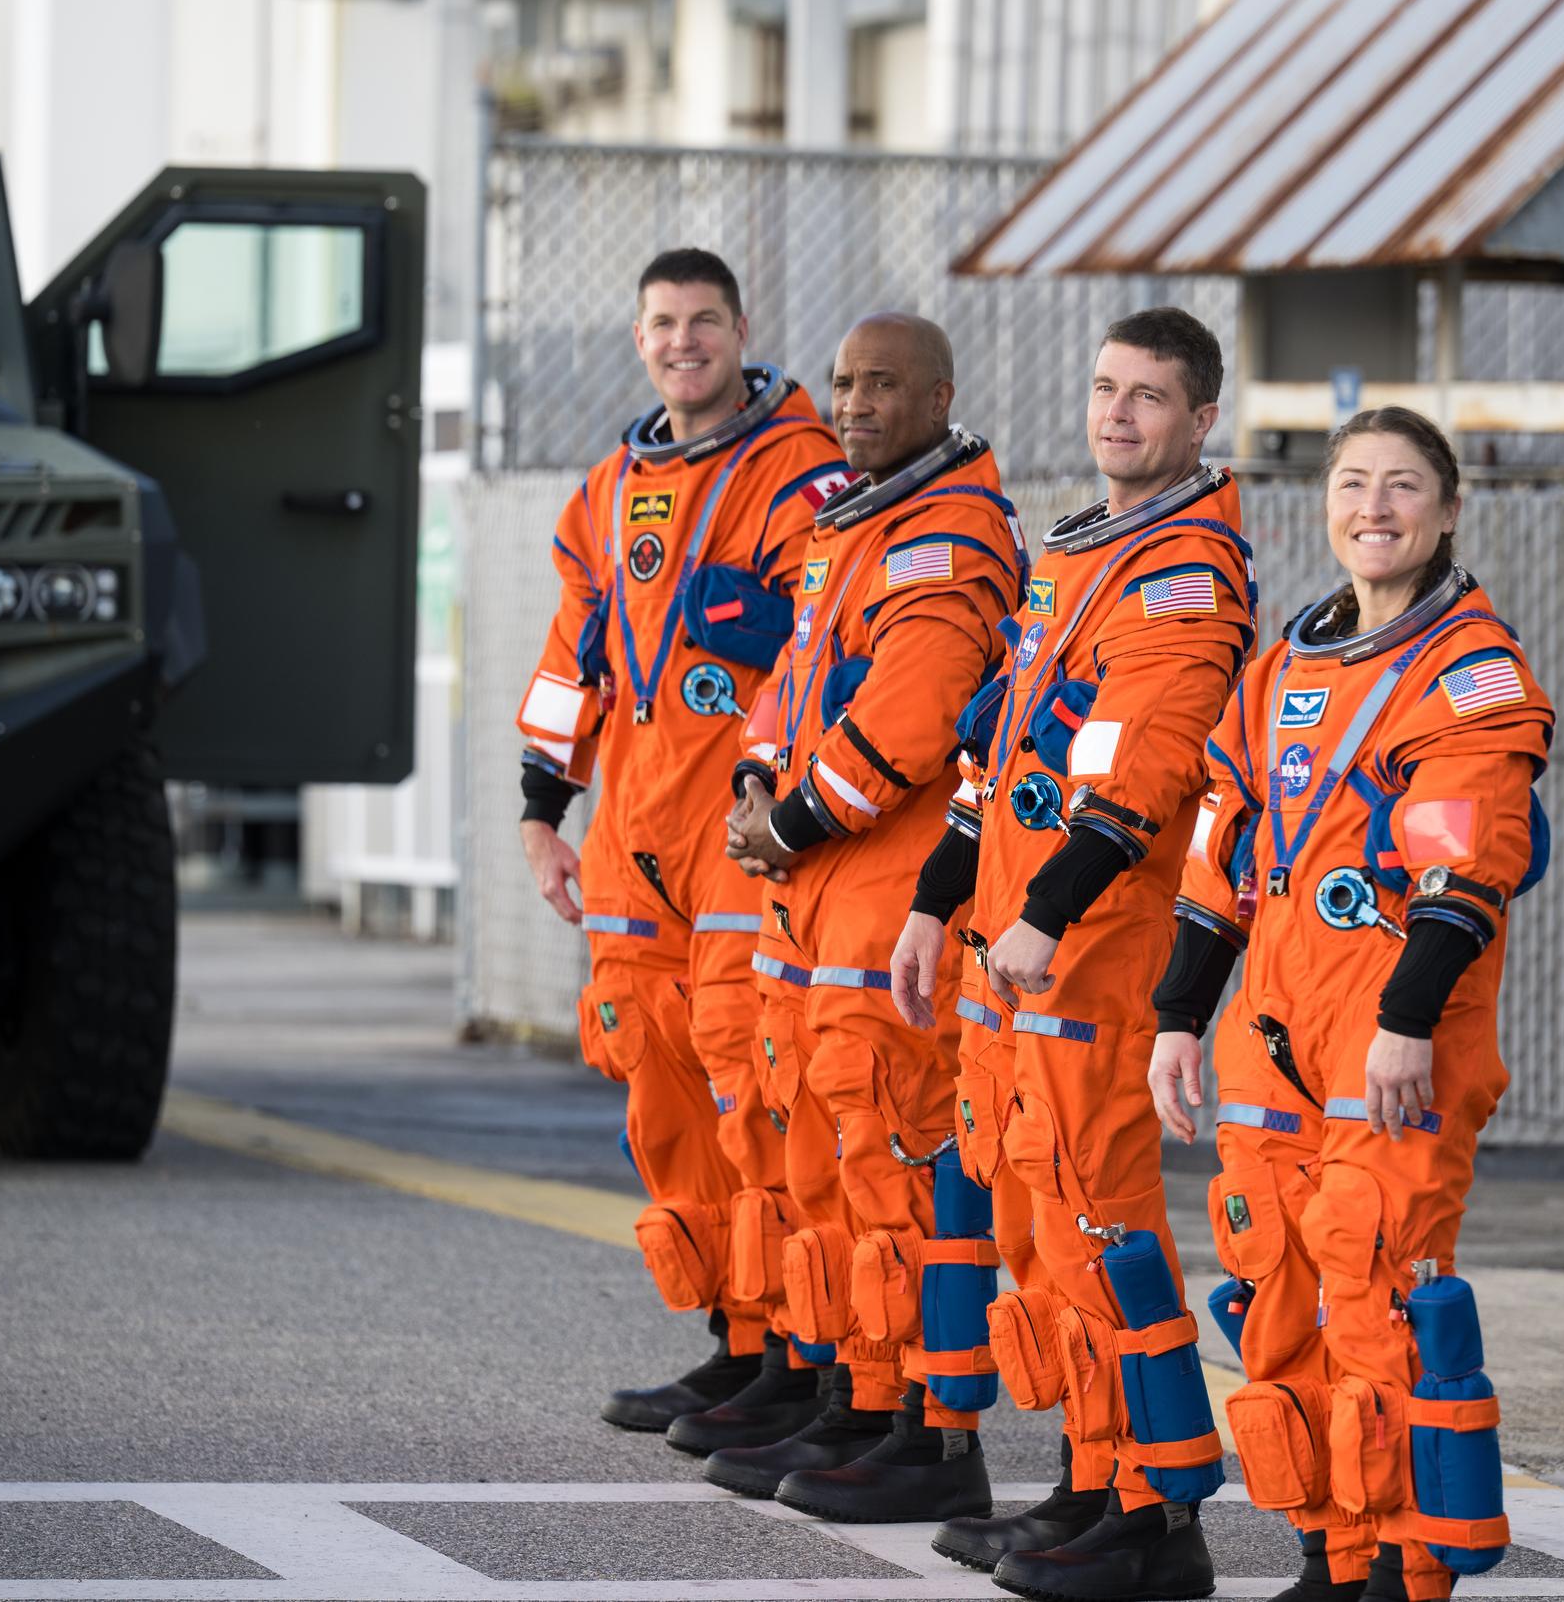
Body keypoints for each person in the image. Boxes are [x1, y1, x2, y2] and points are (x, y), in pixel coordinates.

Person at [1148, 407, 1553, 1602]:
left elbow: (1463, 869)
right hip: (1272, 1036)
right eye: (1354, 483)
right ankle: (1333, 1552)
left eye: (1404, 485)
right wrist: (1178, 1016)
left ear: (1449, 507)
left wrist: (1407, 1020)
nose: (1375, 507)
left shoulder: (1470, 671)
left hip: (1392, 1039)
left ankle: (1406, 1571)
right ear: (1325, 502)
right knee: (1277, 1297)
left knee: (1379, 1301)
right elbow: (1221, 861)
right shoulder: (1280, 671)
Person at [888, 307, 1253, 1600]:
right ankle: (1089, 1481)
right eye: (1106, 388)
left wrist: (1044, 914)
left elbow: (1141, 776)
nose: (1119, 413)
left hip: (1092, 958)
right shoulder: (1079, 552)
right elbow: (1002, 758)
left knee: (1106, 1234)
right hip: (1017, 958)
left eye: (1148, 396)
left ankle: (1160, 1520)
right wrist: (936, 902)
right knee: (1042, 1241)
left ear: (1200, 419)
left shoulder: (1185, 575)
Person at [516, 248, 849, 1436]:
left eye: (704, 320)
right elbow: (571, 659)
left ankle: (800, 1349)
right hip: (631, 827)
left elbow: (829, 639)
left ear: (742, 330)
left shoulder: (804, 472)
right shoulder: (609, 489)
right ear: (639, 336)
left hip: (743, 829)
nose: (683, 341)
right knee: (659, 1091)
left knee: (756, 1085)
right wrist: (541, 810)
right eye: (663, 322)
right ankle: (734, 1335)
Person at [702, 313, 1026, 1520]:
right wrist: (756, 776)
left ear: (939, 397)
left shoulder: (947, 536)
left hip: (886, 900)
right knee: (830, 1170)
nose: (853, 402)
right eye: (842, 382)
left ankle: (933, 1435)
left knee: (895, 1170)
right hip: (817, 904)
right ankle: (856, 1394)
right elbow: (790, 683)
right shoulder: (854, 525)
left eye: (882, 384)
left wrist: (788, 820)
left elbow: (912, 715)